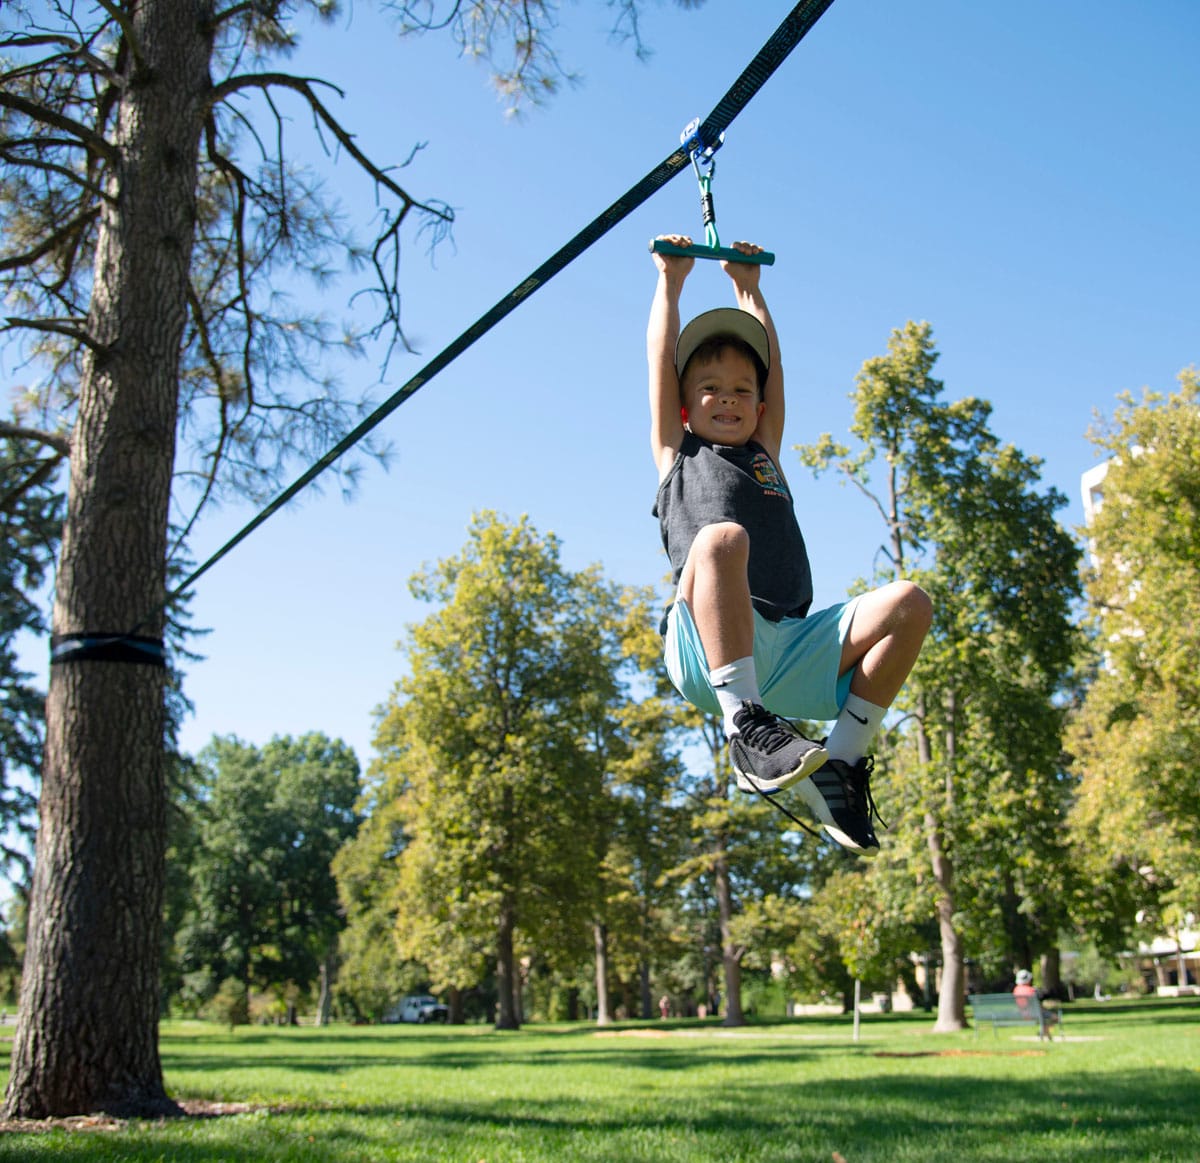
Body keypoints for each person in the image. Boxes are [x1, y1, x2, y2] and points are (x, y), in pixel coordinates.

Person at [647, 233, 932, 857]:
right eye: (710, 388)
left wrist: (749, 291)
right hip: (707, 646)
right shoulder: (678, 453)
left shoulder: (766, 454)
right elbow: (660, 361)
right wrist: (671, 281)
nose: (728, 397)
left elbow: (774, 370)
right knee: (722, 539)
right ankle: (744, 723)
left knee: (910, 602)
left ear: (760, 403)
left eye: (743, 390)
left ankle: (845, 760)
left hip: (790, 646)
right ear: (684, 405)